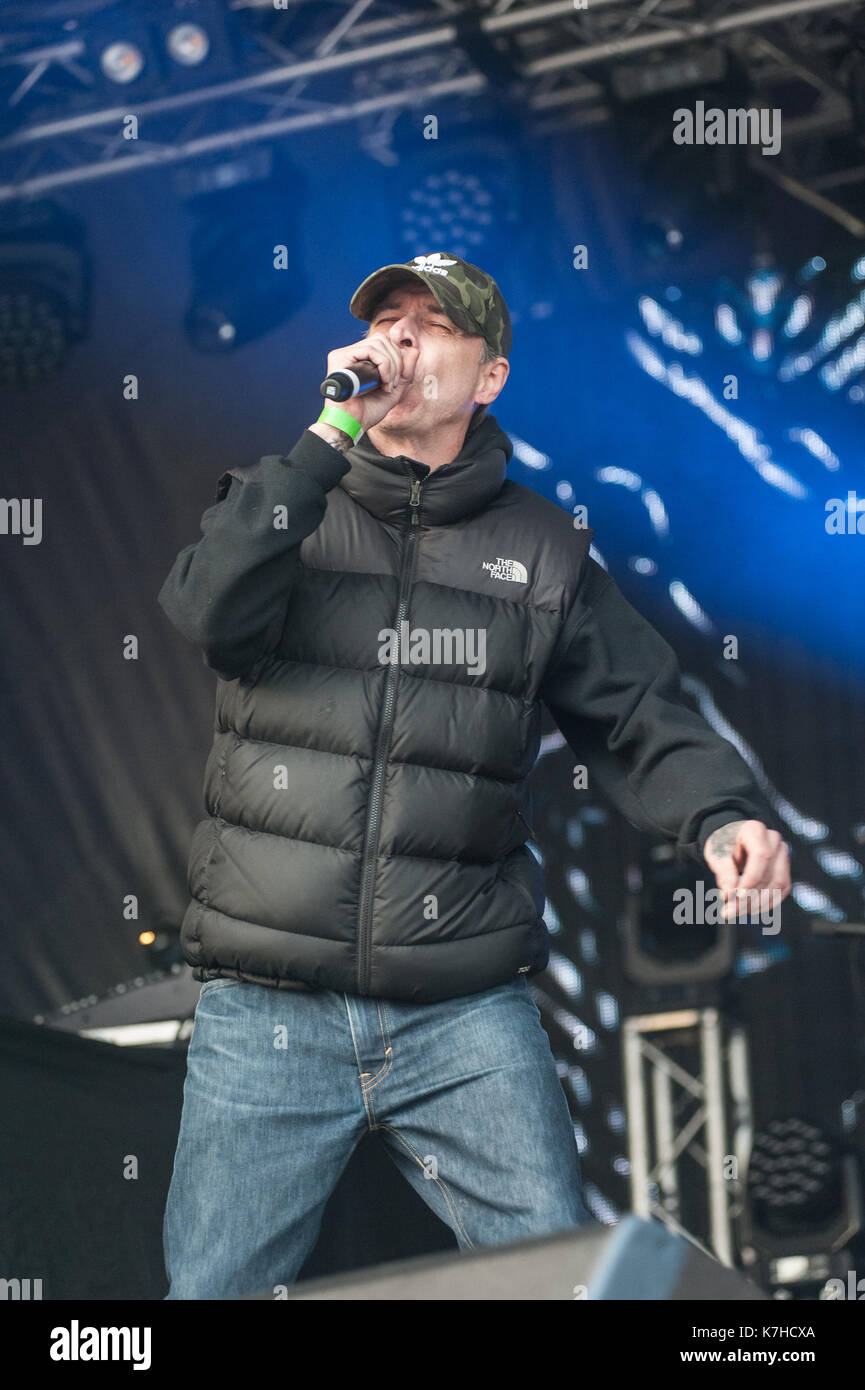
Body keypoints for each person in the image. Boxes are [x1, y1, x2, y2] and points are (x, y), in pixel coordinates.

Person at [157, 251, 791, 1299]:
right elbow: (203, 611)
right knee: (210, 1293)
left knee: (556, 1277)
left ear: (488, 375)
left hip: (461, 1006)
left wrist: (720, 815)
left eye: (429, 326)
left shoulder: (545, 551)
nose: (398, 340)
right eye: (385, 320)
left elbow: (638, 713)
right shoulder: (284, 508)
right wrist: (325, 440)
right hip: (272, 1002)